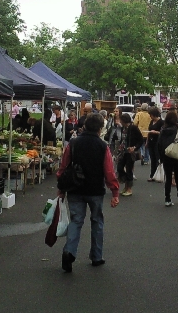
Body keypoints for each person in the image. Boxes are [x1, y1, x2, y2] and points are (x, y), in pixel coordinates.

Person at [56, 113, 120, 272]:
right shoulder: (103, 146)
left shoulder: (73, 143)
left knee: (76, 220)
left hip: (74, 188)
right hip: (95, 189)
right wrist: (115, 192)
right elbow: (109, 171)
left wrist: (61, 188)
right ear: (100, 128)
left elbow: (63, 167)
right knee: (97, 221)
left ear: (84, 126)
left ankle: (69, 251)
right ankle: (96, 256)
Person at [116, 113, 143, 197]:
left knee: (129, 169)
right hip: (123, 151)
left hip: (130, 152)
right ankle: (125, 183)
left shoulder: (133, 128)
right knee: (119, 167)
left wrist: (134, 147)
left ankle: (129, 188)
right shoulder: (123, 128)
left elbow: (141, 139)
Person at [146, 107, 164, 182]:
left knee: (158, 158)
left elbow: (163, 132)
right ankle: (152, 175)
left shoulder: (161, 122)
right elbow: (149, 131)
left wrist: (156, 132)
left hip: (158, 141)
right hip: (151, 141)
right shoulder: (151, 122)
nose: (150, 116)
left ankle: (159, 174)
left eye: (151, 115)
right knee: (152, 159)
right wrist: (147, 141)